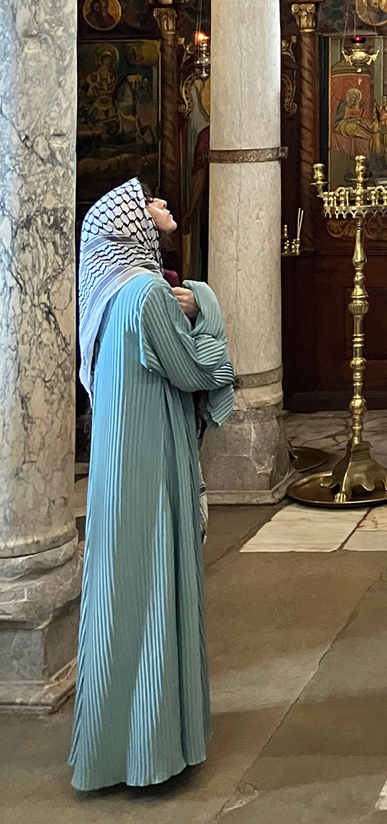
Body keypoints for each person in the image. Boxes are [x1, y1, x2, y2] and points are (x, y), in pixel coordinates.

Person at [71, 178, 235, 791]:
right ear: (131, 227)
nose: (162, 207)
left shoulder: (107, 292)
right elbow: (194, 369)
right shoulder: (144, 292)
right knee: (154, 582)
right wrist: (207, 305)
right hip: (150, 456)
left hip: (116, 463)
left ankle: (111, 747)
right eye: (150, 205)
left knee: (119, 587)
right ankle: (150, 748)